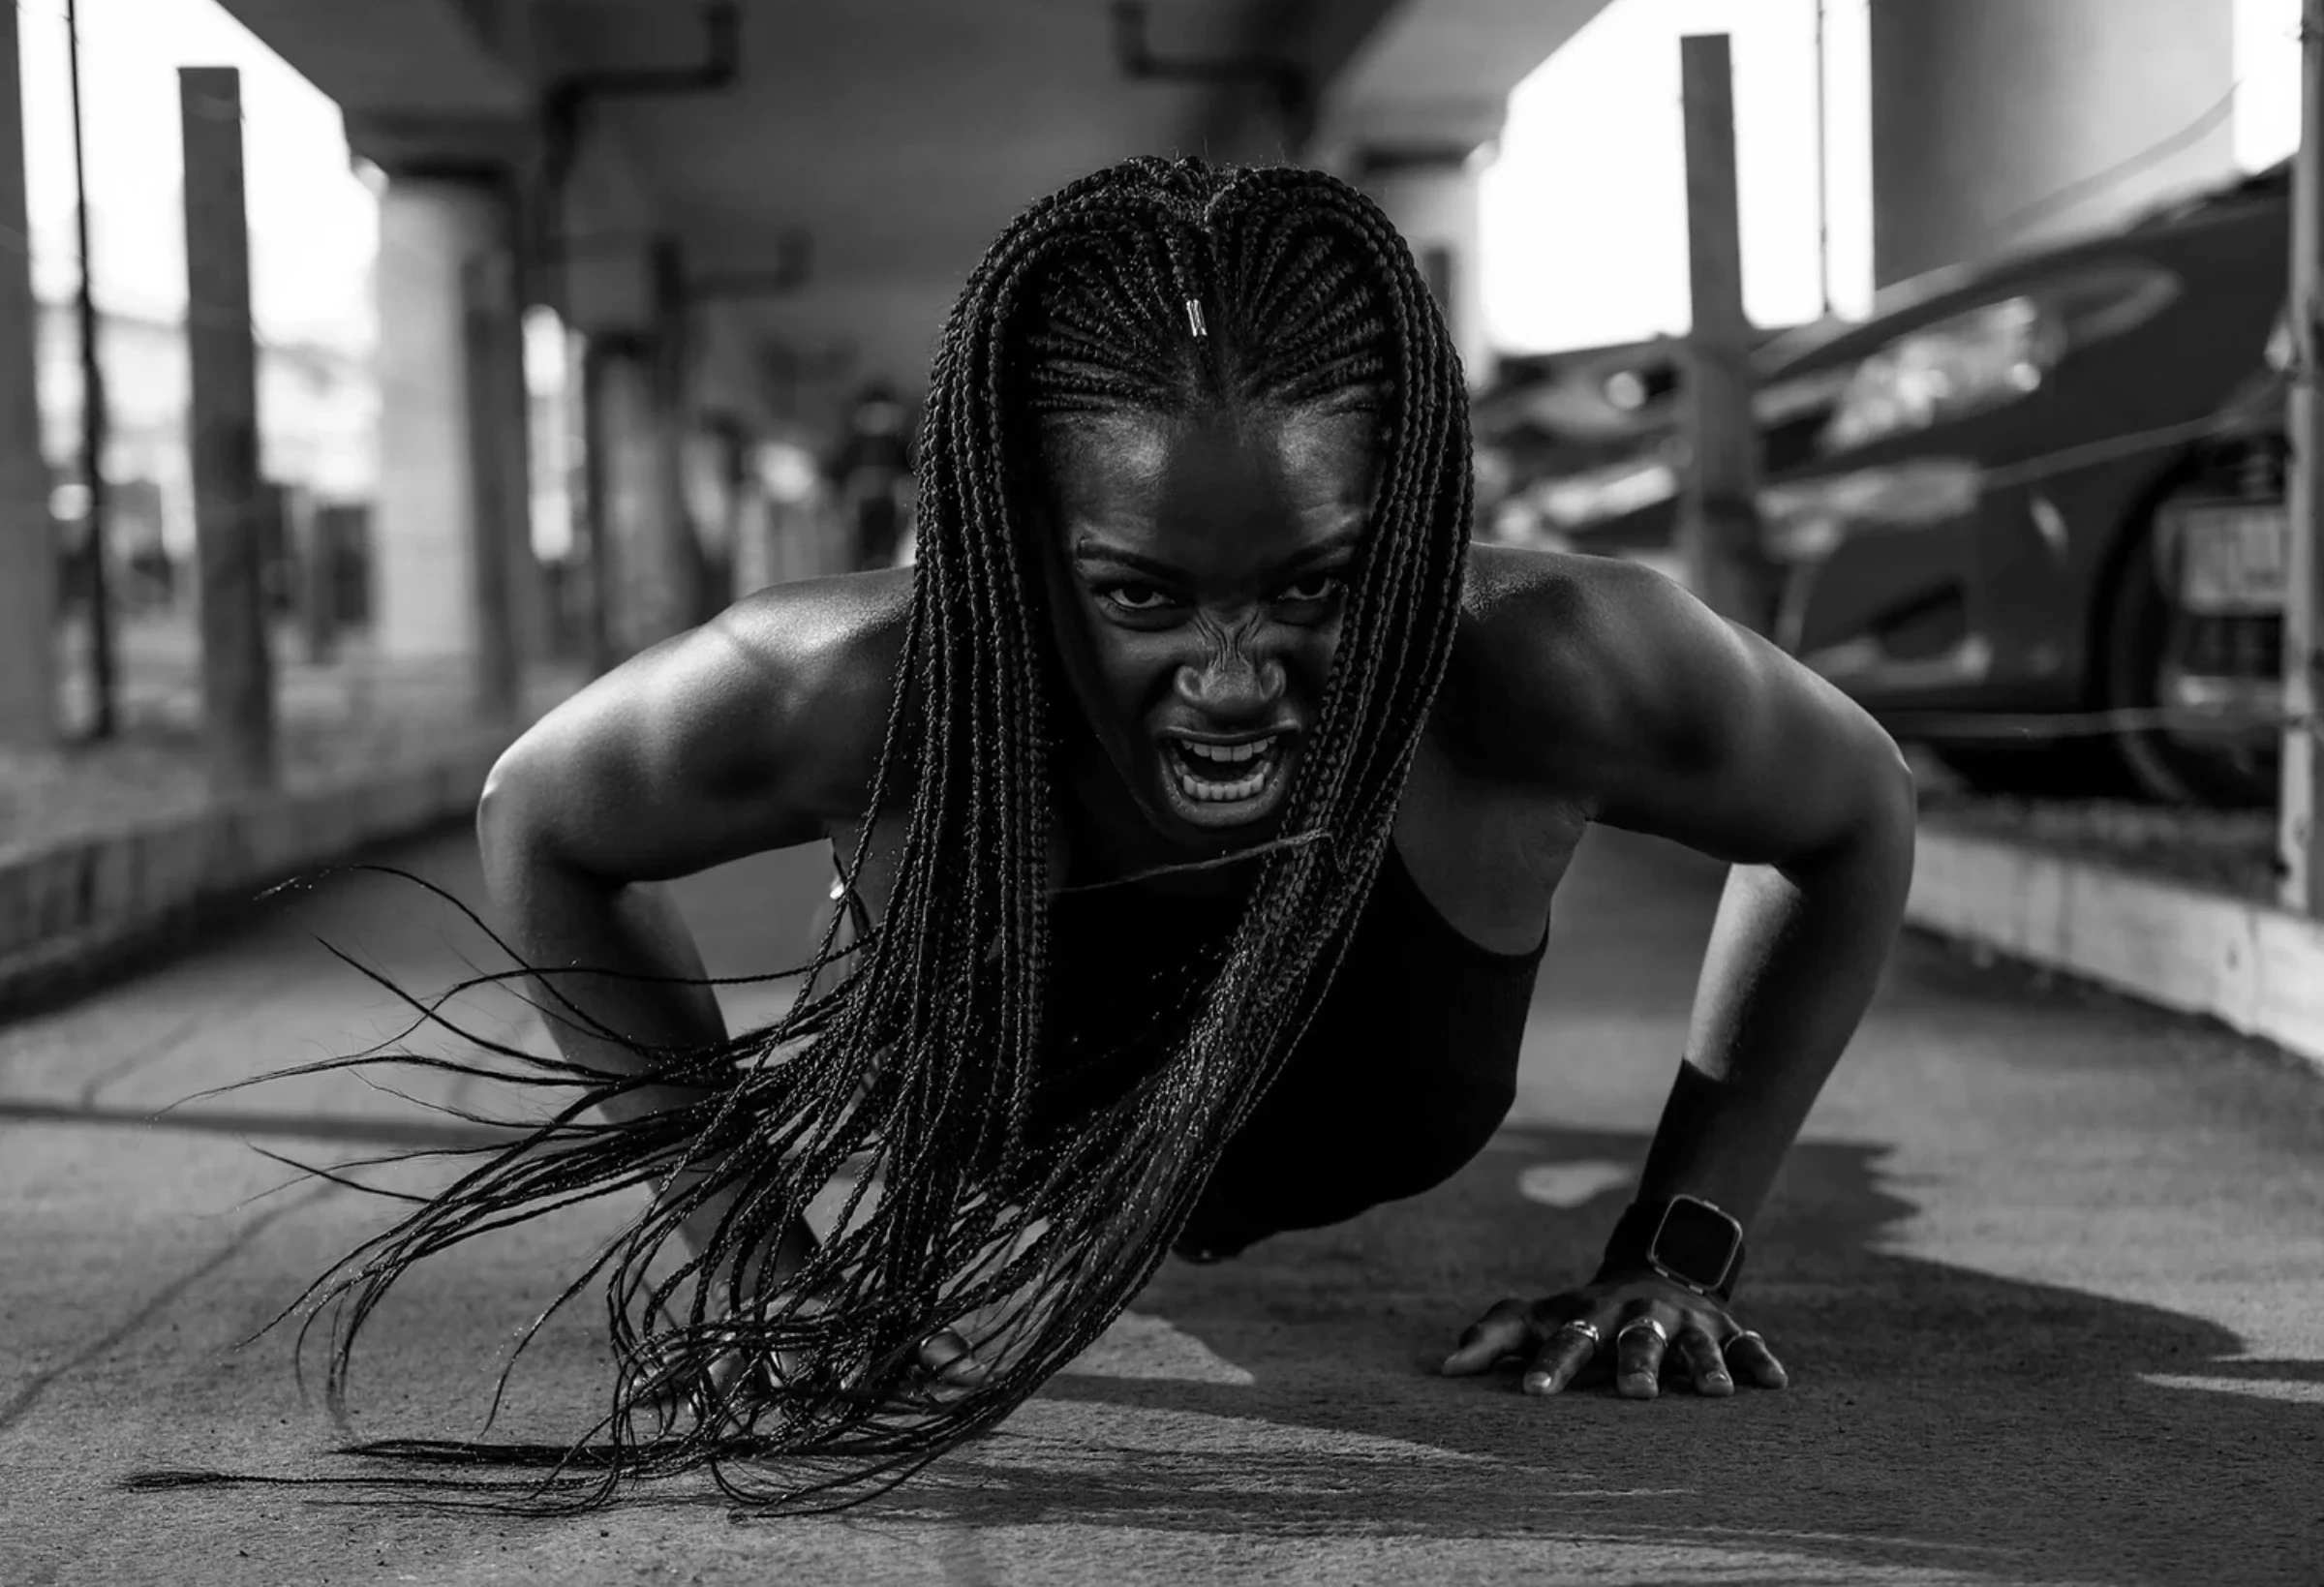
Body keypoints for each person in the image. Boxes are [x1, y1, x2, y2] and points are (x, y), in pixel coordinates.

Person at [290, 156, 1916, 1511]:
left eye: (1313, 584)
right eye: (1143, 595)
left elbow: (1853, 811)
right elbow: (540, 817)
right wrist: (764, 1266)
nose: (1232, 679)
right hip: (1015, 1124)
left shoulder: (1543, 671)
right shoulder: (871, 694)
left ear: (1408, 530)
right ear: (1025, 552)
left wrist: (1681, 1243)